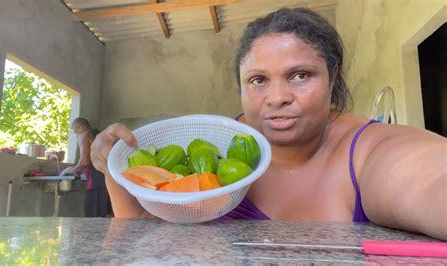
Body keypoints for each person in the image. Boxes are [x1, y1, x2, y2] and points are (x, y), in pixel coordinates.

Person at [90, 8, 446, 240]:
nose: (277, 97)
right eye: (258, 80)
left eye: (300, 75)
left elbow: (428, 176)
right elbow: (138, 237)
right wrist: (116, 169)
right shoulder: (212, 149)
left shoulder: (368, 149)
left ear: (332, 77)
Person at [62, 117, 113, 217]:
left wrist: (72, 170)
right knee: (108, 218)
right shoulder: (99, 135)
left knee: (93, 221)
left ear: (80, 127)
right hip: (109, 181)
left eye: (75, 132)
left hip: (96, 183)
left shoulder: (84, 135)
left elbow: (84, 161)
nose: (76, 135)